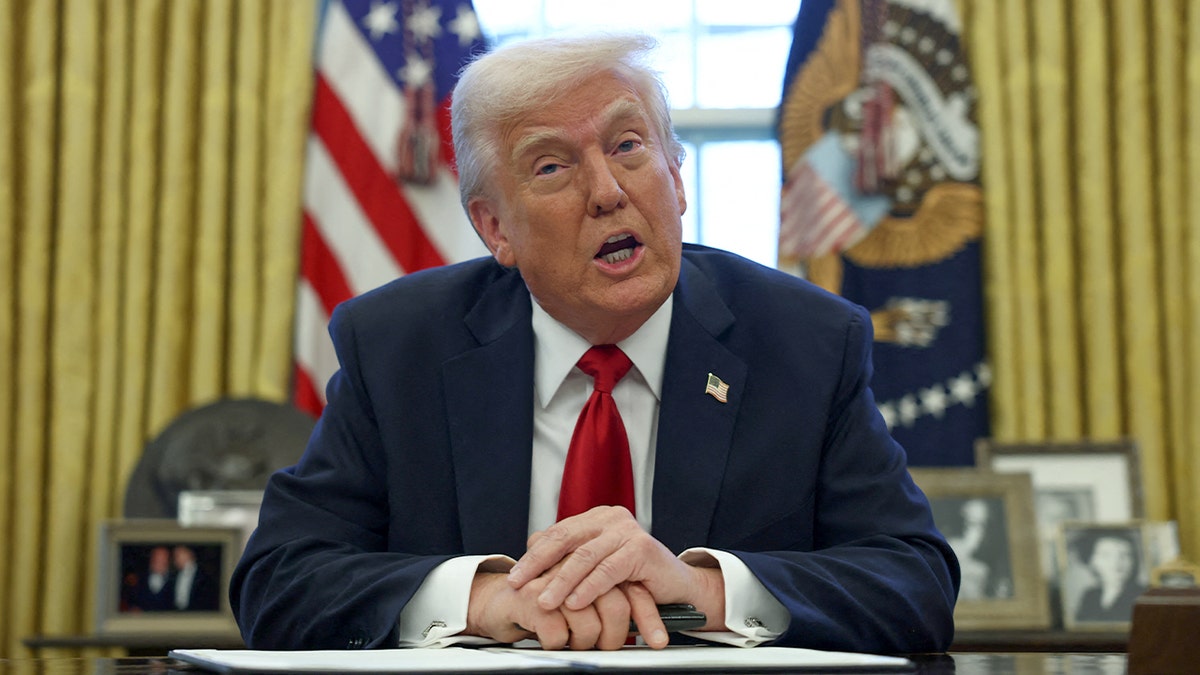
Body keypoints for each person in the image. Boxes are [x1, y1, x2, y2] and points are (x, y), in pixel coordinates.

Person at [230, 33, 958, 653]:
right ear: (495, 230)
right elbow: (280, 578)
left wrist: (699, 589)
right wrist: (484, 600)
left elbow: (913, 580)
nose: (607, 190)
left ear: (677, 179)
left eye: (629, 145)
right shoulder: (398, 347)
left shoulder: (804, 341)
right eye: (553, 165)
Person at [1073, 530, 1144, 623]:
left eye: (1125, 555)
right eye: (1106, 555)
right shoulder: (1090, 596)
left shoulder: (1143, 596)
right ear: (1092, 561)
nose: (1116, 564)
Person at [128, 545, 174, 612]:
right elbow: (132, 600)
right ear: (151, 559)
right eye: (156, 557)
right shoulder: (140, 578)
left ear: (168, 561)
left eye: (163, 558)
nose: (158, 561)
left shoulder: (174, 581)